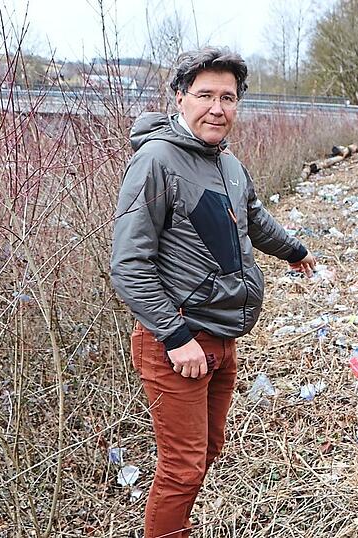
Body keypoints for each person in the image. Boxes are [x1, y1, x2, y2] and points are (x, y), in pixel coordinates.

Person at [110, 47, 316, 538]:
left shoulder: (228, 164)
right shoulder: (156, 161)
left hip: (223, 338)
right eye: (204, 95)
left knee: (204, 457)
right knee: (181, 470)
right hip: (178, 341)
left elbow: (255, 218)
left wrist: (294, 251)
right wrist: (176, 336)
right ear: (180, 98)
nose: (217, 108)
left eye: (228, 97)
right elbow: (128, 264)